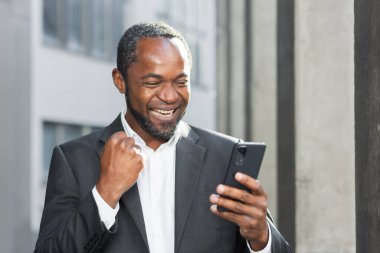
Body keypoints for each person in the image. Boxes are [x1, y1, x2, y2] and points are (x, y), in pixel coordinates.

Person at [34, 22, 291, 253]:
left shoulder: (226, 155)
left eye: (180, 82)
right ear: (120, 81)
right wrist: (105, 195)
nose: (169, 96)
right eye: (153, 82)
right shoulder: (73, 160)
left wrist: (261, 239)